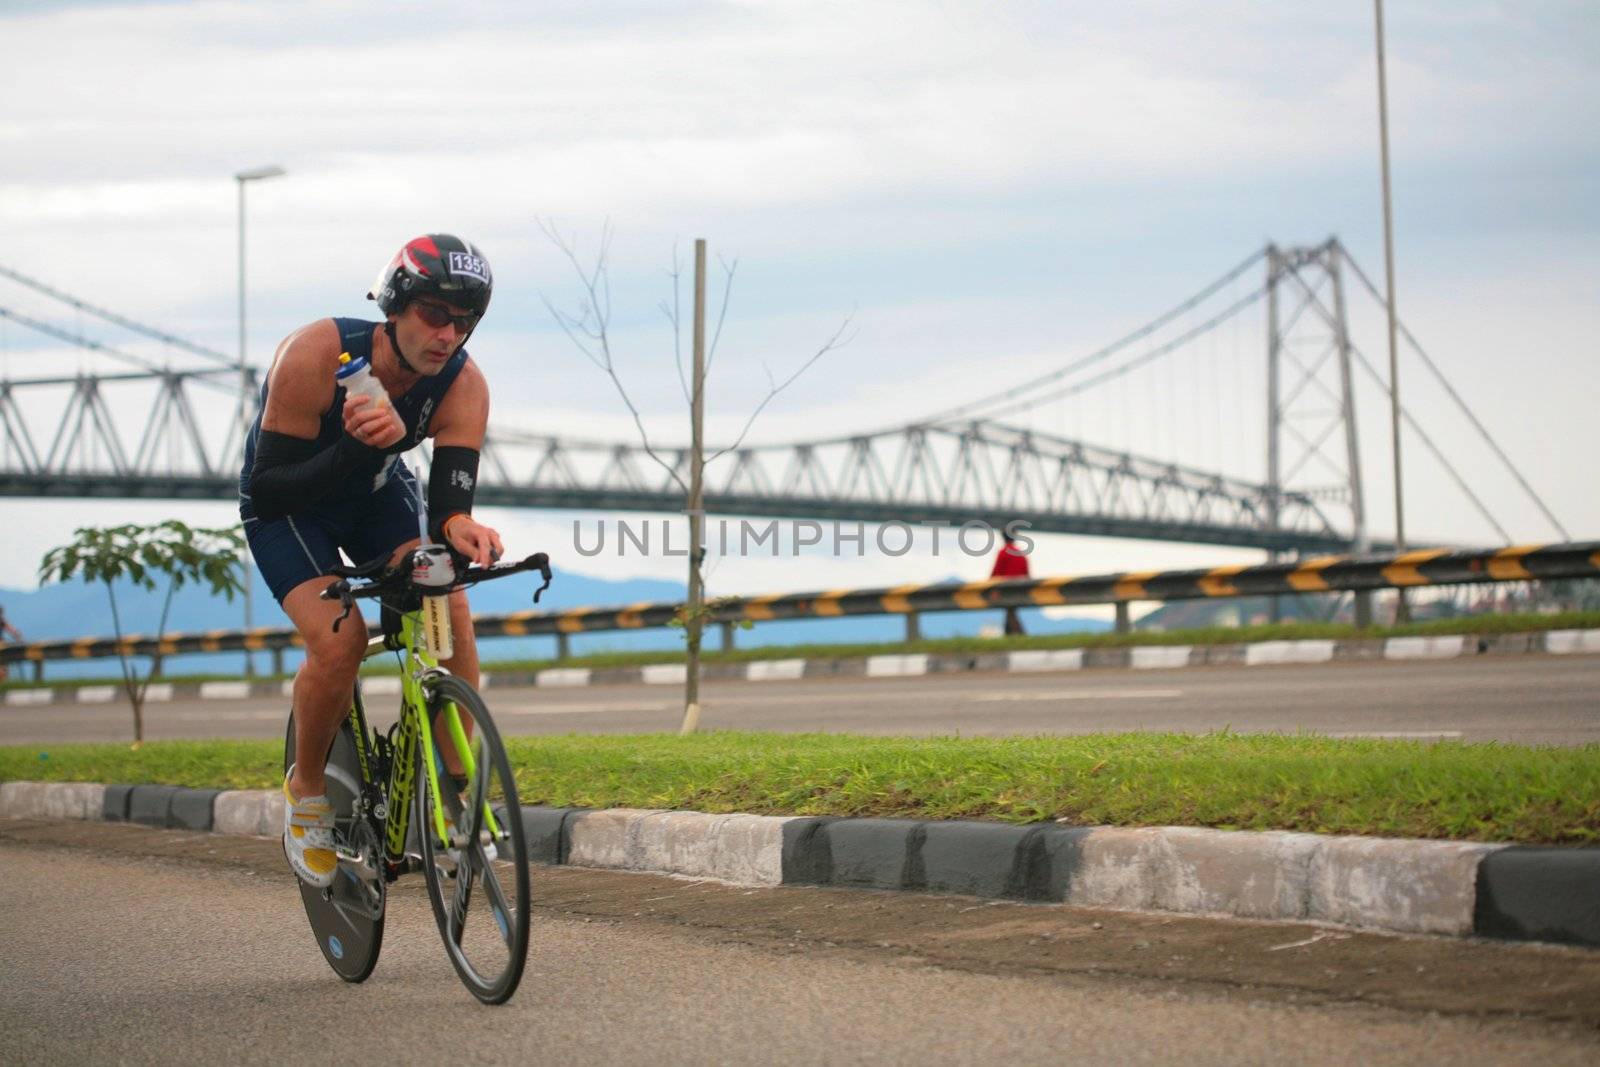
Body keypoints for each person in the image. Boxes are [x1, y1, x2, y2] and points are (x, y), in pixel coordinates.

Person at [239, 234, 504, 889]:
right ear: (396, 305)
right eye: (435, 314)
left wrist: (462, 525)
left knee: (448, 597)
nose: (449, 334)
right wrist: (356, 447)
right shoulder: (317, 353)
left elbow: (447, 506)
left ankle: (458, 786)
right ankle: (306, 794)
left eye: (465, 321)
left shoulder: (462, 384)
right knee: (341, 640)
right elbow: (269, 486)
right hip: (291, 509)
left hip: (380, 496)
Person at [990, 532, 1031, 636]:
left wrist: (993, 588)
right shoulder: (1020, 554)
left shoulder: (1003, 552)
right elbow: (1026, 573)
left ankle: (1020, 634)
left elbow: (996, 572)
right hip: (1020, 588)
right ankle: (1011, 634)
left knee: (1010, 611)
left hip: (1006, 589)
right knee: (1011, 611)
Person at [0, 604, 21, 683]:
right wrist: (18, 637)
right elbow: (13, 631)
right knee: (3, 668)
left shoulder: (2, 622)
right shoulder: (2, 621)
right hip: (2, 647)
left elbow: (13, 631)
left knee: (3, 668)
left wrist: (17, 635)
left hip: (2, 647)